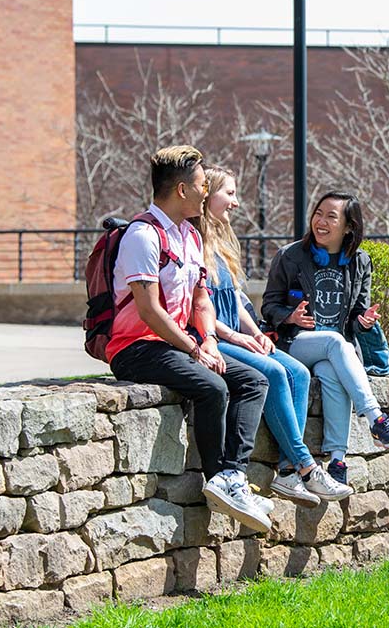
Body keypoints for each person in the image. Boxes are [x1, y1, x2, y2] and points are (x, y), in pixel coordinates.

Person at [105, 145, 274, 532]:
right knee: (213, 387)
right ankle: (217, 477)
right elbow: (148, 311)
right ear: (182, 190)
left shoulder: (190, 237)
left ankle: (232, 476)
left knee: (253, 380)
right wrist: (194, 349)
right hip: (137, 348)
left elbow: (202, 298)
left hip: (180, 344)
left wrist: (210, 341)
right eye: (201, 185)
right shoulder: (143, 236)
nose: (205, 191)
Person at [195, 166, 352, 506]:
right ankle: (307, 466)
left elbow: (234, 299)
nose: (236, 203)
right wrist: (236, 339)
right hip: (211, 338)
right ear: (208, 195)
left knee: (297, 371)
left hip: (238, 334)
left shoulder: (224, 239)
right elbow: (199, 305)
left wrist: (256, 333)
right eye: (230, 193)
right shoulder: (192, 239)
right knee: (276, 373)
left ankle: (286, 473)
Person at [262, 191, 389, 485]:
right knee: (334, 343)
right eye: (318, 213)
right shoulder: (290, 256)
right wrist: (290, 317)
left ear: (348, 226)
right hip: (295, 344)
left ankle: (338, 461)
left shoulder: (360, 261)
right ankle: (376, 418)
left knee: (332, 373)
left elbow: (357, 311)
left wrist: (363, 321)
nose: (321, 221)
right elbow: (268, 306)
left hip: (335, 353)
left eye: (331, 216)